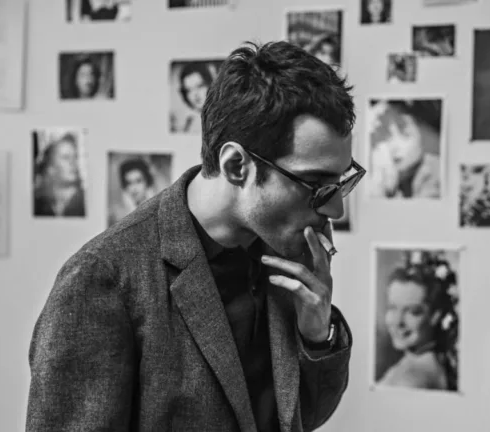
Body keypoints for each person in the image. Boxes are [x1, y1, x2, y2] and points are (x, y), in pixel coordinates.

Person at [26, 40, 364, 432]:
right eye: (315, 184)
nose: (336, 210)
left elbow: (301, 417)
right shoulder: (100, 280)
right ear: (236, 166)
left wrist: (317, 336)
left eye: (341, 183)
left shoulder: (286, 250)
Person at [378, 250, 458, 391]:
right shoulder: (420, 364)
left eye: (413, 312)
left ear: (435, 316)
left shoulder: (410, 380)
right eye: (392, 308)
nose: (398, 322)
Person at [367, 100, 442, 199]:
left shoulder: (436, 172)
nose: (394, 146)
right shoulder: (383, 173)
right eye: (386, 136)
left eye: (405, 133)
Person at [33, 132, 86, 217]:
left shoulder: (85, 202)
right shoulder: (38, 205)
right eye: (66, 158)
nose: (73, 162)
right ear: (50, 167)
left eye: (75, 157)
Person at [108, 158, 158, 226]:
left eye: (138, 181)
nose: (134, 188)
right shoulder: (118, 215)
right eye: (129, 183)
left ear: (147, 182)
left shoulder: (156, 208)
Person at [171, 62, 216, 133]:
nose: (195, 94)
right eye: (189, 90)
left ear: (210, 85)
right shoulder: (188, 124)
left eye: (199, 86)